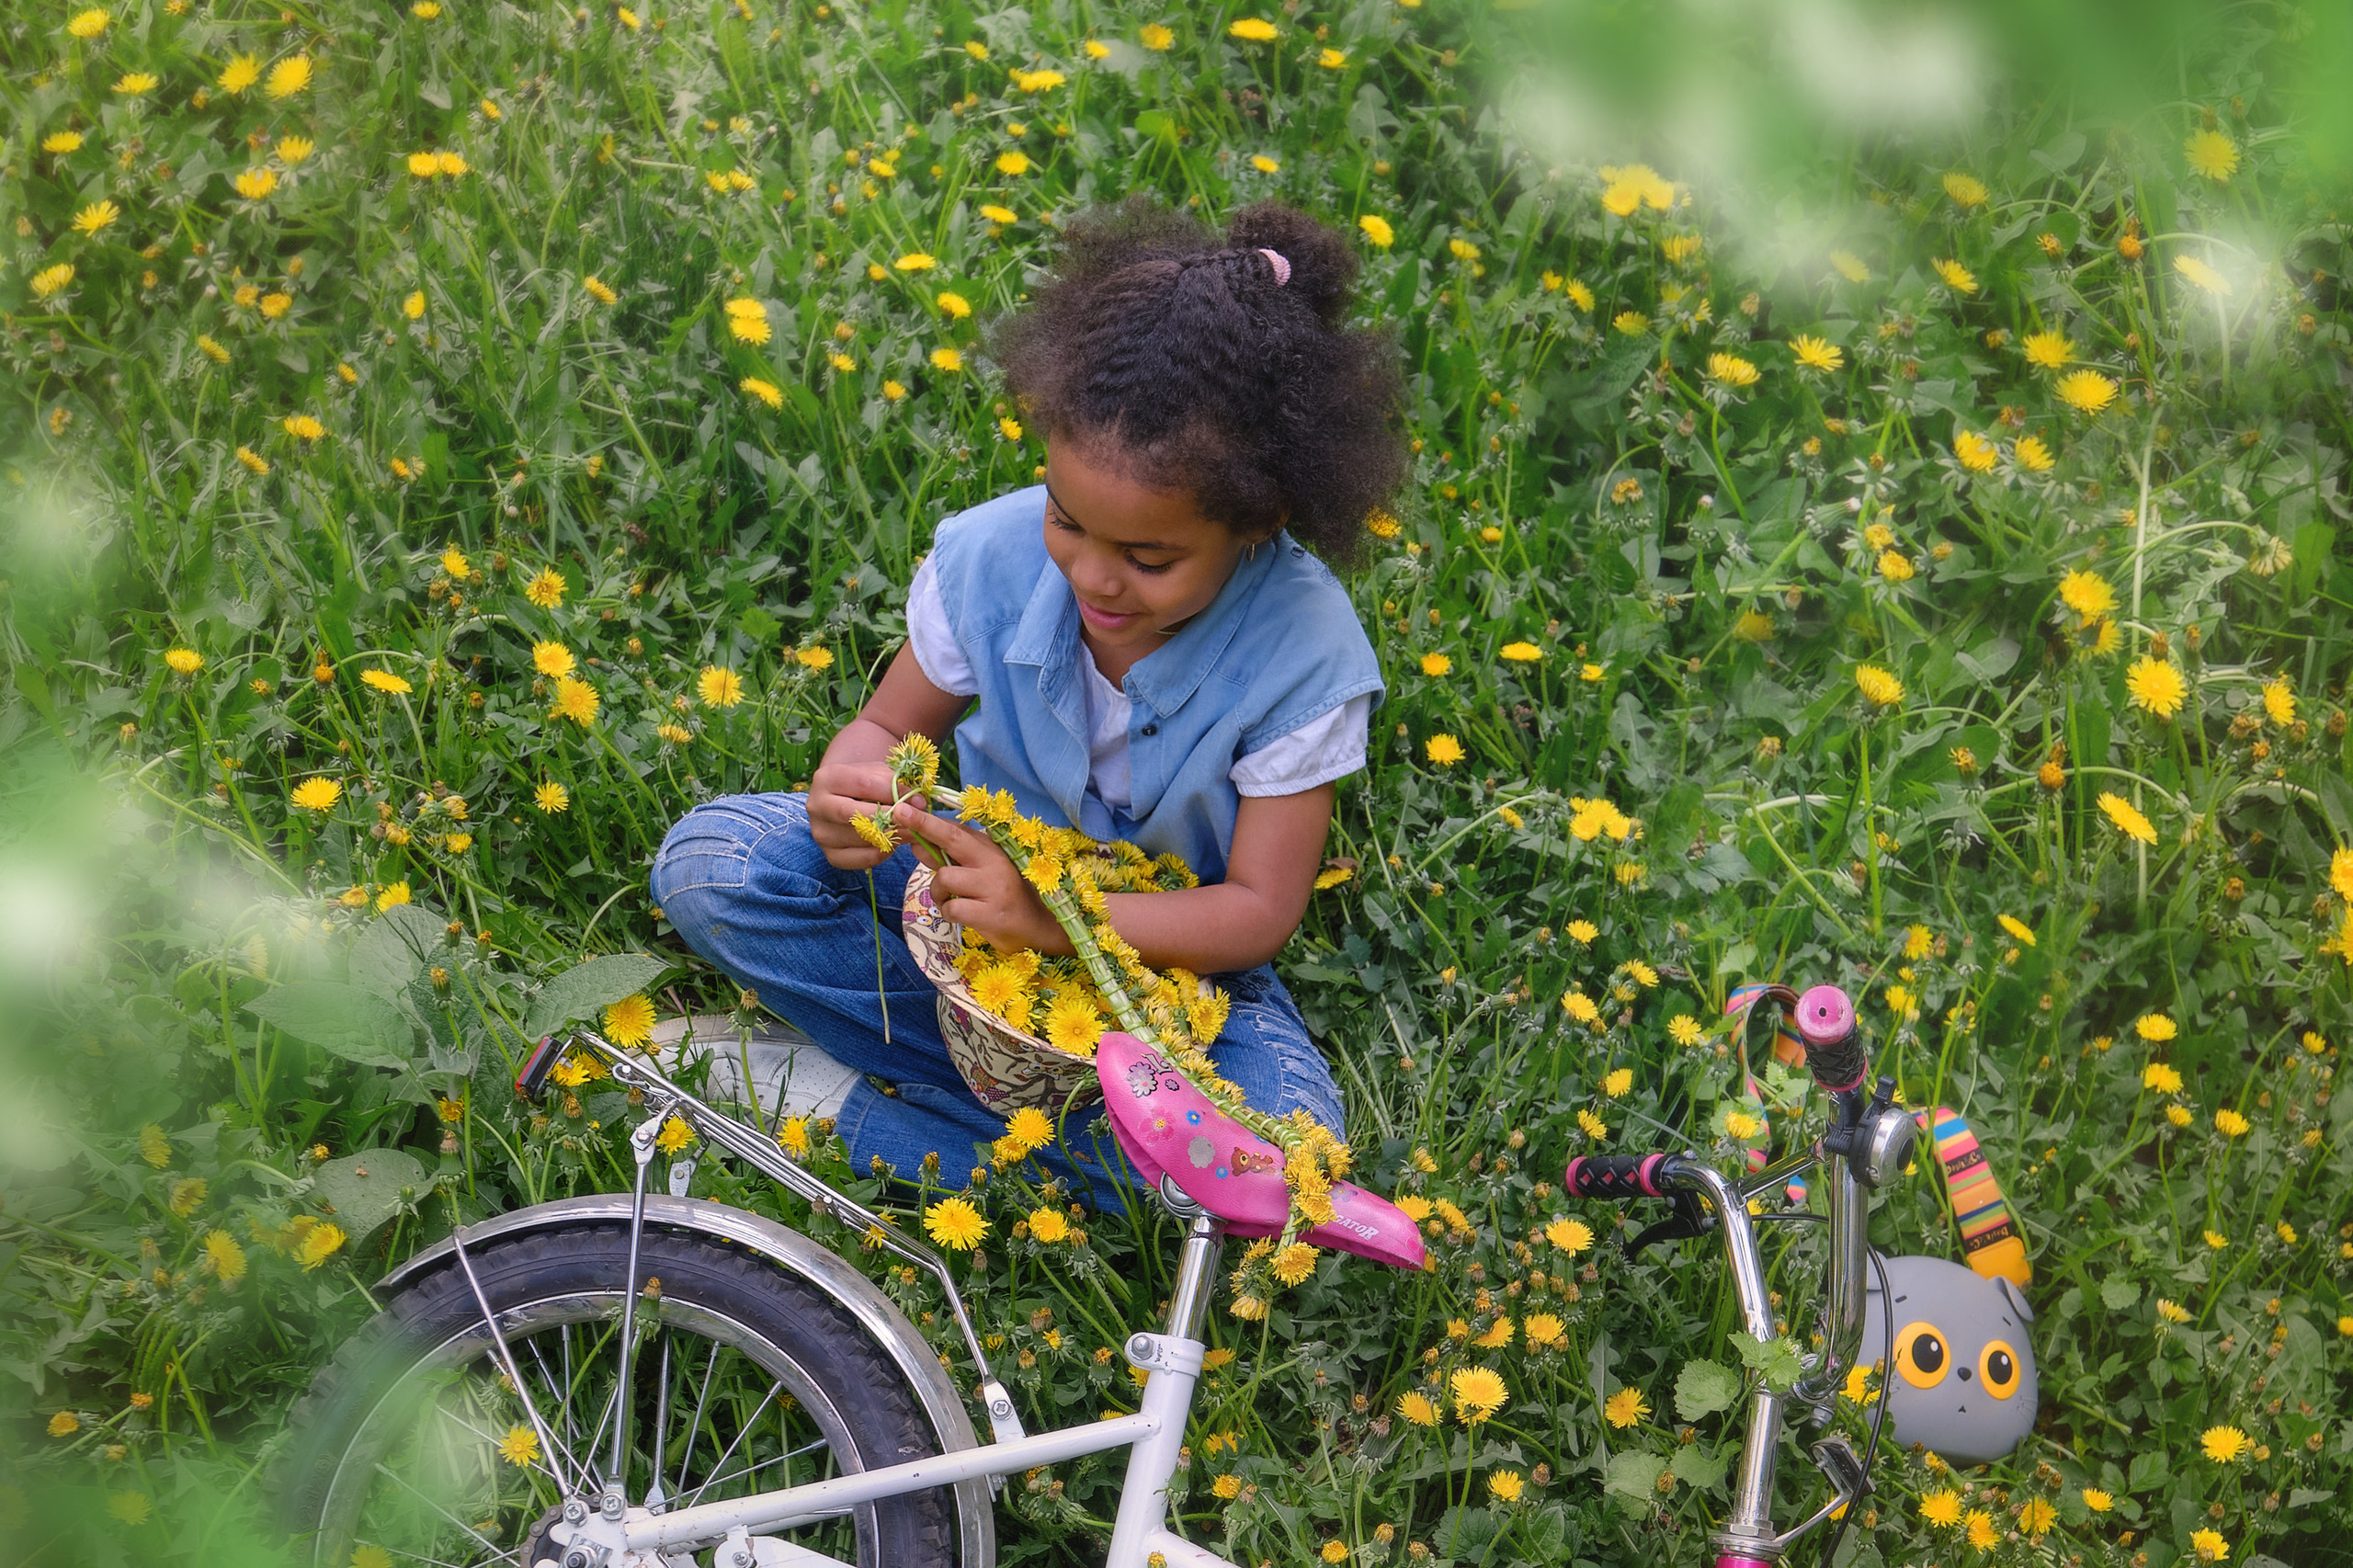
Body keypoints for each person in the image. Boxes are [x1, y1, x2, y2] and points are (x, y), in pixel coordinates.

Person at [648, 196, 1407, 1199]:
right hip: (967, 888)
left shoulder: (1302, 654)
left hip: (1174, 966)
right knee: (715, 859)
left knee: (1276, 1160)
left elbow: (1256, 912)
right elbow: (885, 726)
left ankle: (836, 1102)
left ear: (1260, 520)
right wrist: (852, 782)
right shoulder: (991, 558)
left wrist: (1053, 922)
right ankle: (1046, 1116)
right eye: (1066, 518)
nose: (1093, 577)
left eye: (1149, 557)